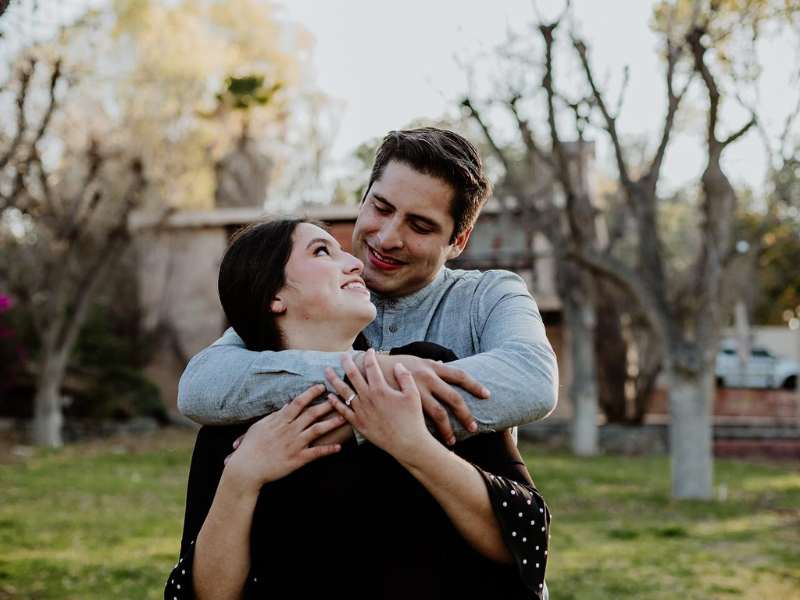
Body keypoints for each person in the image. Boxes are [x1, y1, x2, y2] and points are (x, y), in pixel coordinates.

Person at [164, 219, 552, 600]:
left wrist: (415, 447)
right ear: (274, 296)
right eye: (321, 251)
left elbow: (526, 537)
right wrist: (242, 478)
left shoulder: (420, 371)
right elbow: (204, 594)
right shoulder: (231, 428)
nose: (355, 264)